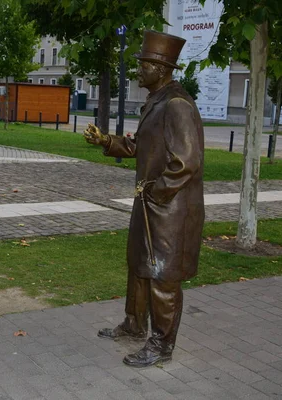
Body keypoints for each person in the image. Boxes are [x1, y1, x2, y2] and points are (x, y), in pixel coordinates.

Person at [84, 30, 205, 368]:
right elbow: (139, 147)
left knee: (163, 277)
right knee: (139, 265)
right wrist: (105, 141)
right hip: (150, 205)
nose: (138, 71)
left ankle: (161, 344)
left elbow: (186, 162)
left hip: (170, 209)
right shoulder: (158, 101)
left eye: (144, 65)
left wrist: (156, 192)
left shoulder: (177, 105)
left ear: (161, 68)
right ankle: (135, 324)